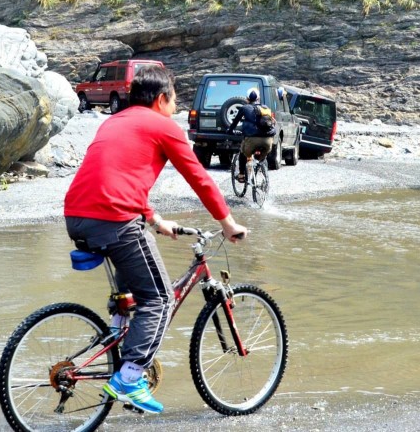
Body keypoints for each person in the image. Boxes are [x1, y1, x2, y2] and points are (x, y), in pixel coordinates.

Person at [64, 65, 248, 415]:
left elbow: (119, 176)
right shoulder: (162, 125)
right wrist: (228, 223)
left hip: (77, 216)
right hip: (114, 219)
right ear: (161, 99)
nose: (176, 108)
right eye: (175, 101)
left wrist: (155, 219)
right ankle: (130, 377)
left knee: (131, 296)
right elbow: (199, 178)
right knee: (160, 298)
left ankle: (118, 339)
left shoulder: (113, 121)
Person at [228, 89, 277, 182]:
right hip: (267, 141)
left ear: (247, 98)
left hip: (252, 140)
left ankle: (242, 175)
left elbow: (235, 122)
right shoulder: (266, 108)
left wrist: (230, 130)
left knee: (242, 153)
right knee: (261, 157)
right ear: (258, 98)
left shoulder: (244, 108)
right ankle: (260, 168)